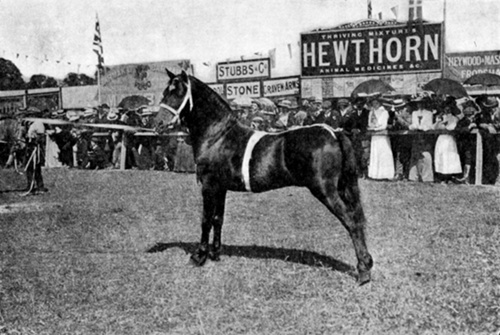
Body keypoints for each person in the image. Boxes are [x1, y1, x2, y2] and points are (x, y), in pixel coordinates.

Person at [433, 99, 462, 183]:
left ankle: (449, 177)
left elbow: (451, 127)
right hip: (441, 138)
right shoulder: (440, 117)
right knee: (441, 156)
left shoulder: (454, 118)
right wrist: (439, 121)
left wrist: (446, 123)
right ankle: (442, 177)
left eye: (449, 107)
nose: (447, 109)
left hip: (449, 138)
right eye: (445, 107)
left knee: (449, 157)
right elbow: (434, 128)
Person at [408, 95, 435, 183]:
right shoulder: (414, 113)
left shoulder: (429, 113)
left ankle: (427, 177)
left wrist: (423, 127)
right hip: (416, 136)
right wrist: (413, 127)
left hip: (425, 136)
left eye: (422, 103)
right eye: (418, 103)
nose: (420, 105)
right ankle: (413, 176)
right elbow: (414, 124)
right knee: (415, 155)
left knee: (426, 155)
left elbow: (429, 125)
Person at [366, 96, 394, 180]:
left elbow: (384, 125)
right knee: (375, 153)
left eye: (376, 103)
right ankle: (375, 174)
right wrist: (372, 126)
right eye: (373, 103)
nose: (375, 105)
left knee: (384, 153)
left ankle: (385, 174)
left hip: (382, 136)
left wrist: (375, 127)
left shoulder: (384, 112)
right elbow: (369, 123)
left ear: (380, 103)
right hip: (375, 136)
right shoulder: (371, 112)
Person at [24, 119, 48, 194]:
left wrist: (34, 139)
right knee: (30, 167)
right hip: (29, 147)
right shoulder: (29, 123)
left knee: (35, 167)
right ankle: (32, 185)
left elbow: (41, 137)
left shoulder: (38, 123)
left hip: (35, 148)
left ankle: (38, 186)